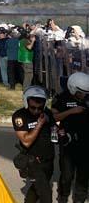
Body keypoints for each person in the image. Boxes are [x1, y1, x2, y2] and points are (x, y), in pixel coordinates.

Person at [12, 86, 55, 203]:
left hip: (48, 159)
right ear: (26, 102)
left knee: (36, 190)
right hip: (33, 161)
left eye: (39, 108)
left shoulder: (47, 113)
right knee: (46, 195)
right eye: (33, 107)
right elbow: (26, 141)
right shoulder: (20, 116)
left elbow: (54, 131)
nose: (36, 111)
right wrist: (39, 124)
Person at [51, 72, 89, 203]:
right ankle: (62, 196)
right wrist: (72, 111)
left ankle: (80, 199)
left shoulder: (87, 99)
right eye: (81, 92)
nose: (84, 95)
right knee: (67, 175)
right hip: (68, 142)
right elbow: (54, 117)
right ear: (73, 88)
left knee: (83, 176)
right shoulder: (61, 98)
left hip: (85, 143)